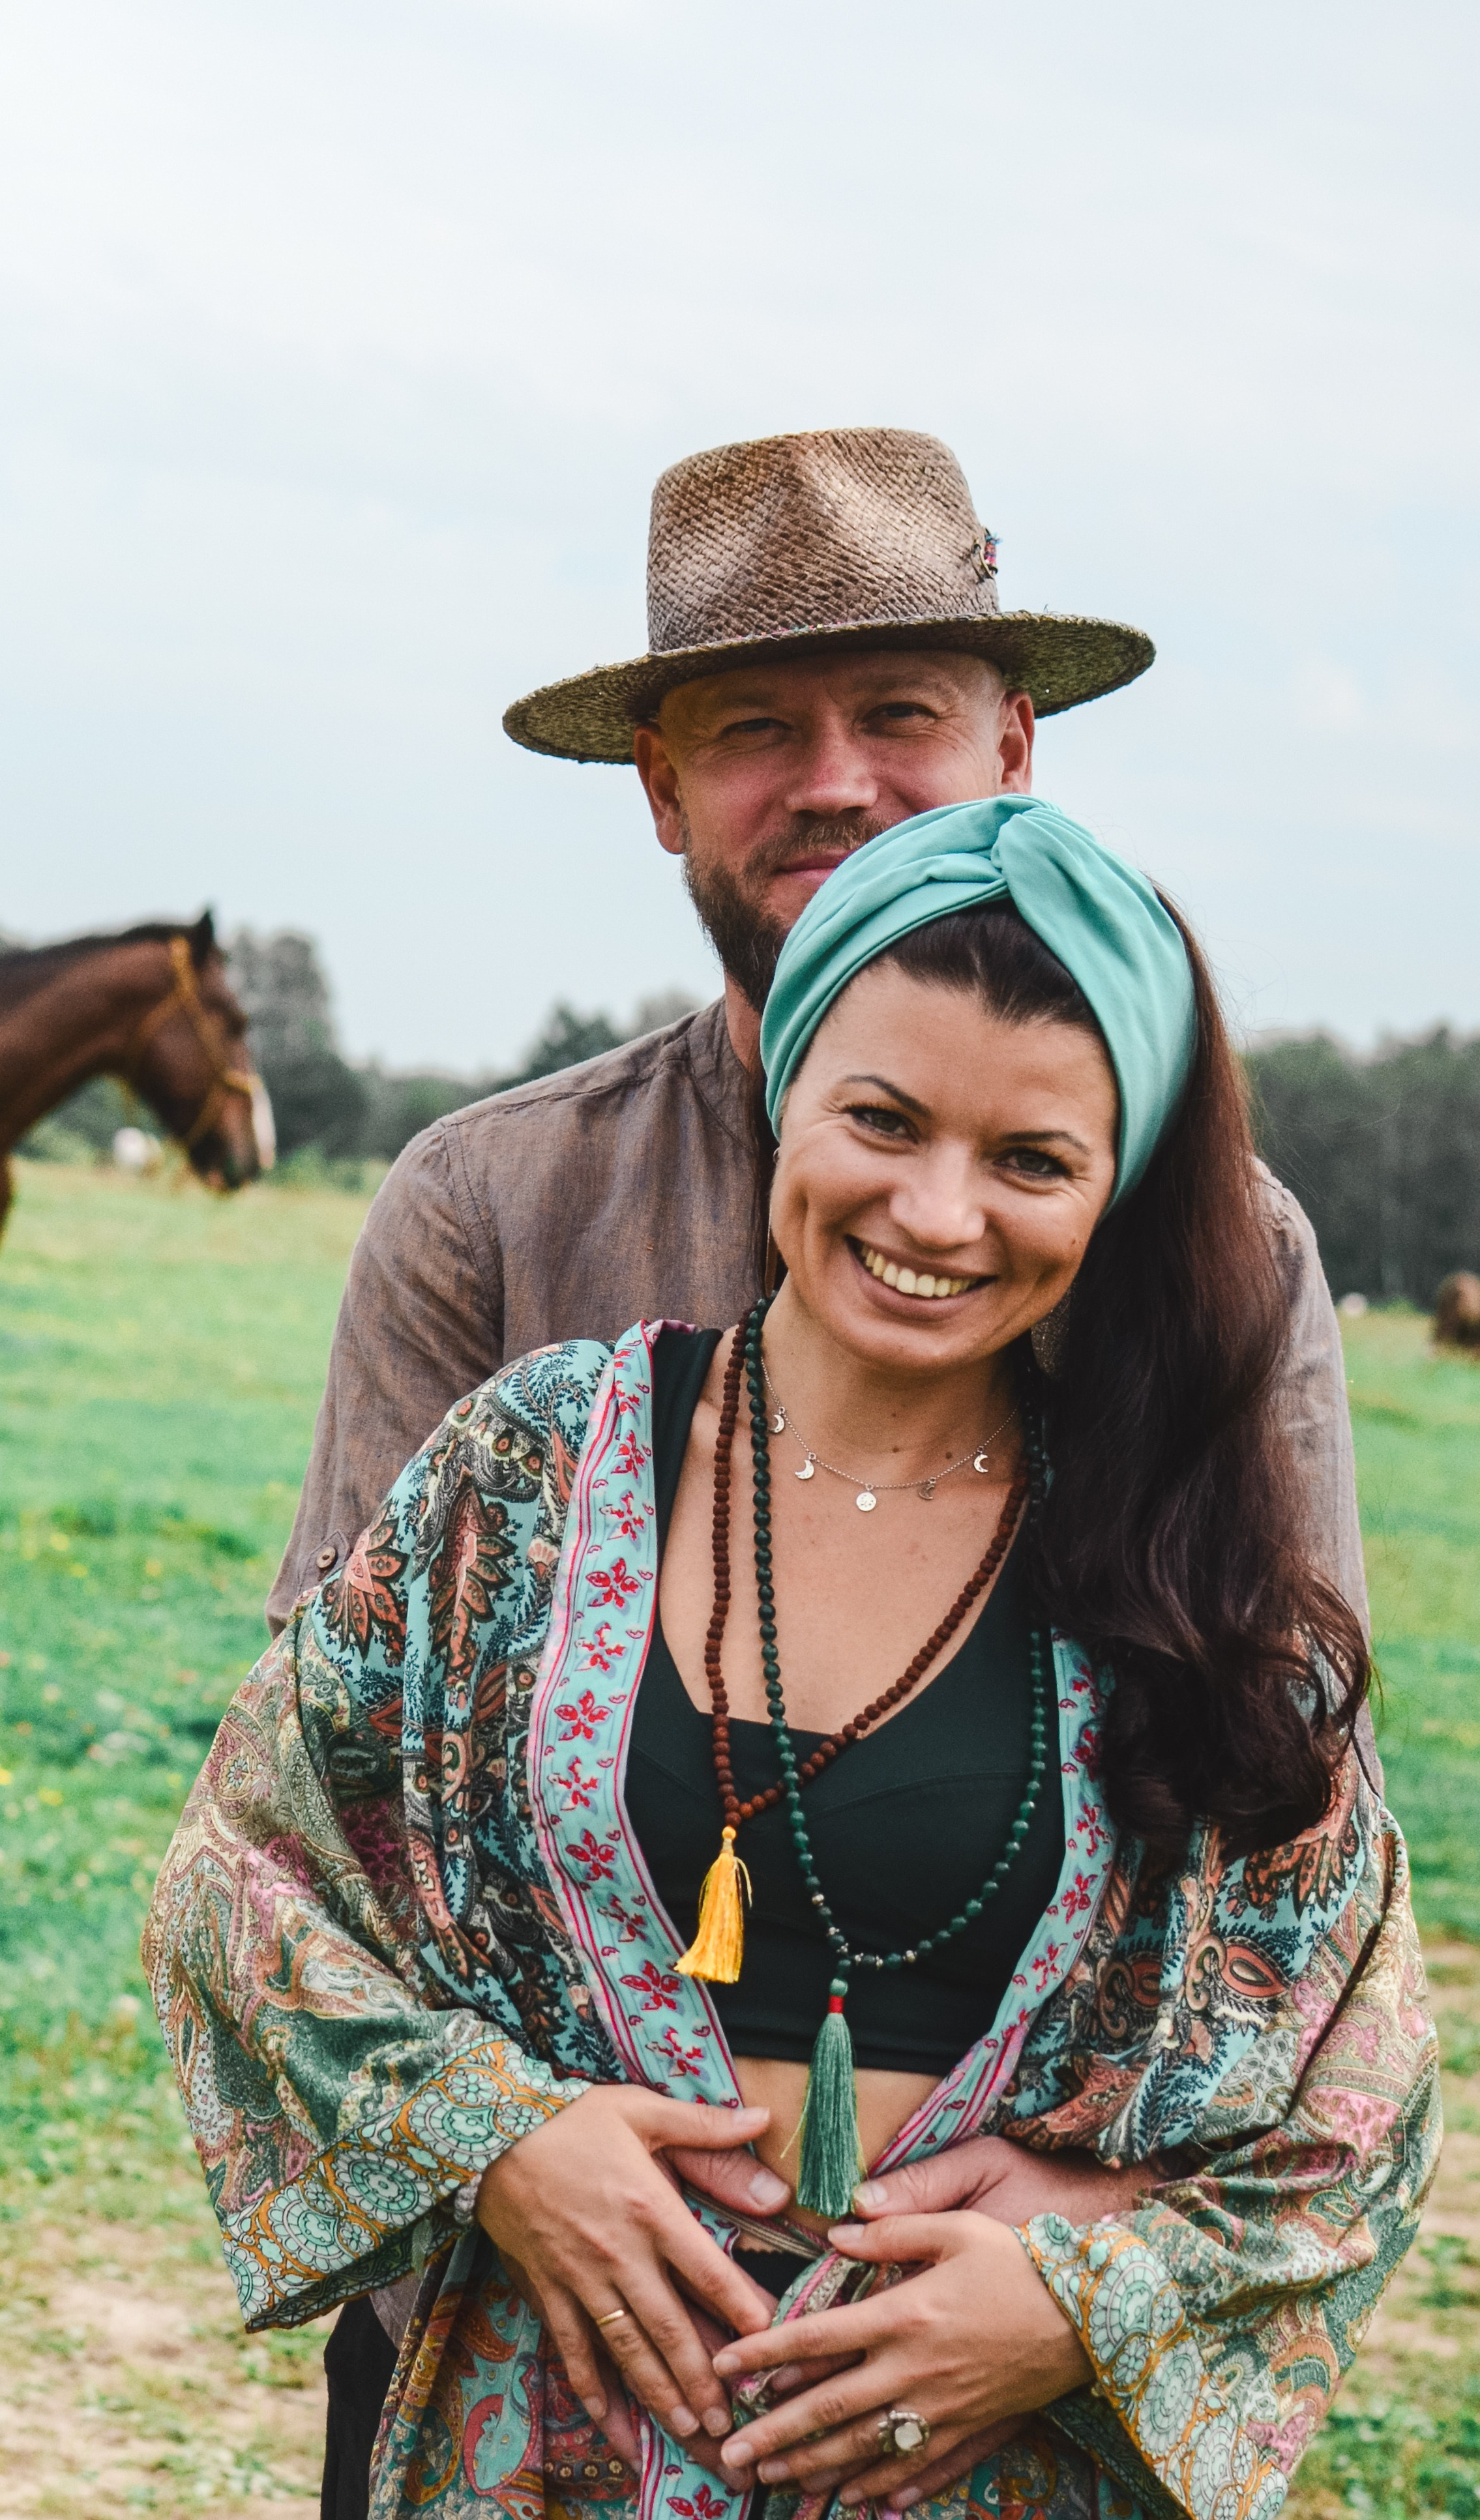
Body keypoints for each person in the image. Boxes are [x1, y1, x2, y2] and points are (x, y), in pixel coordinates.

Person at [264, 427, 1377, 2508]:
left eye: (901, 716)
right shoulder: (491, 1210)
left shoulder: (1236, 1262)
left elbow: (1287, 1867)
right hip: (542, 2355)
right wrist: (500, 2137)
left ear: (1018, 744)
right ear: (662, 785)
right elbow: (321, 1811)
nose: (839, 780)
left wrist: (1086, 2250)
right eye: (759, 728)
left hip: (981, 2405)